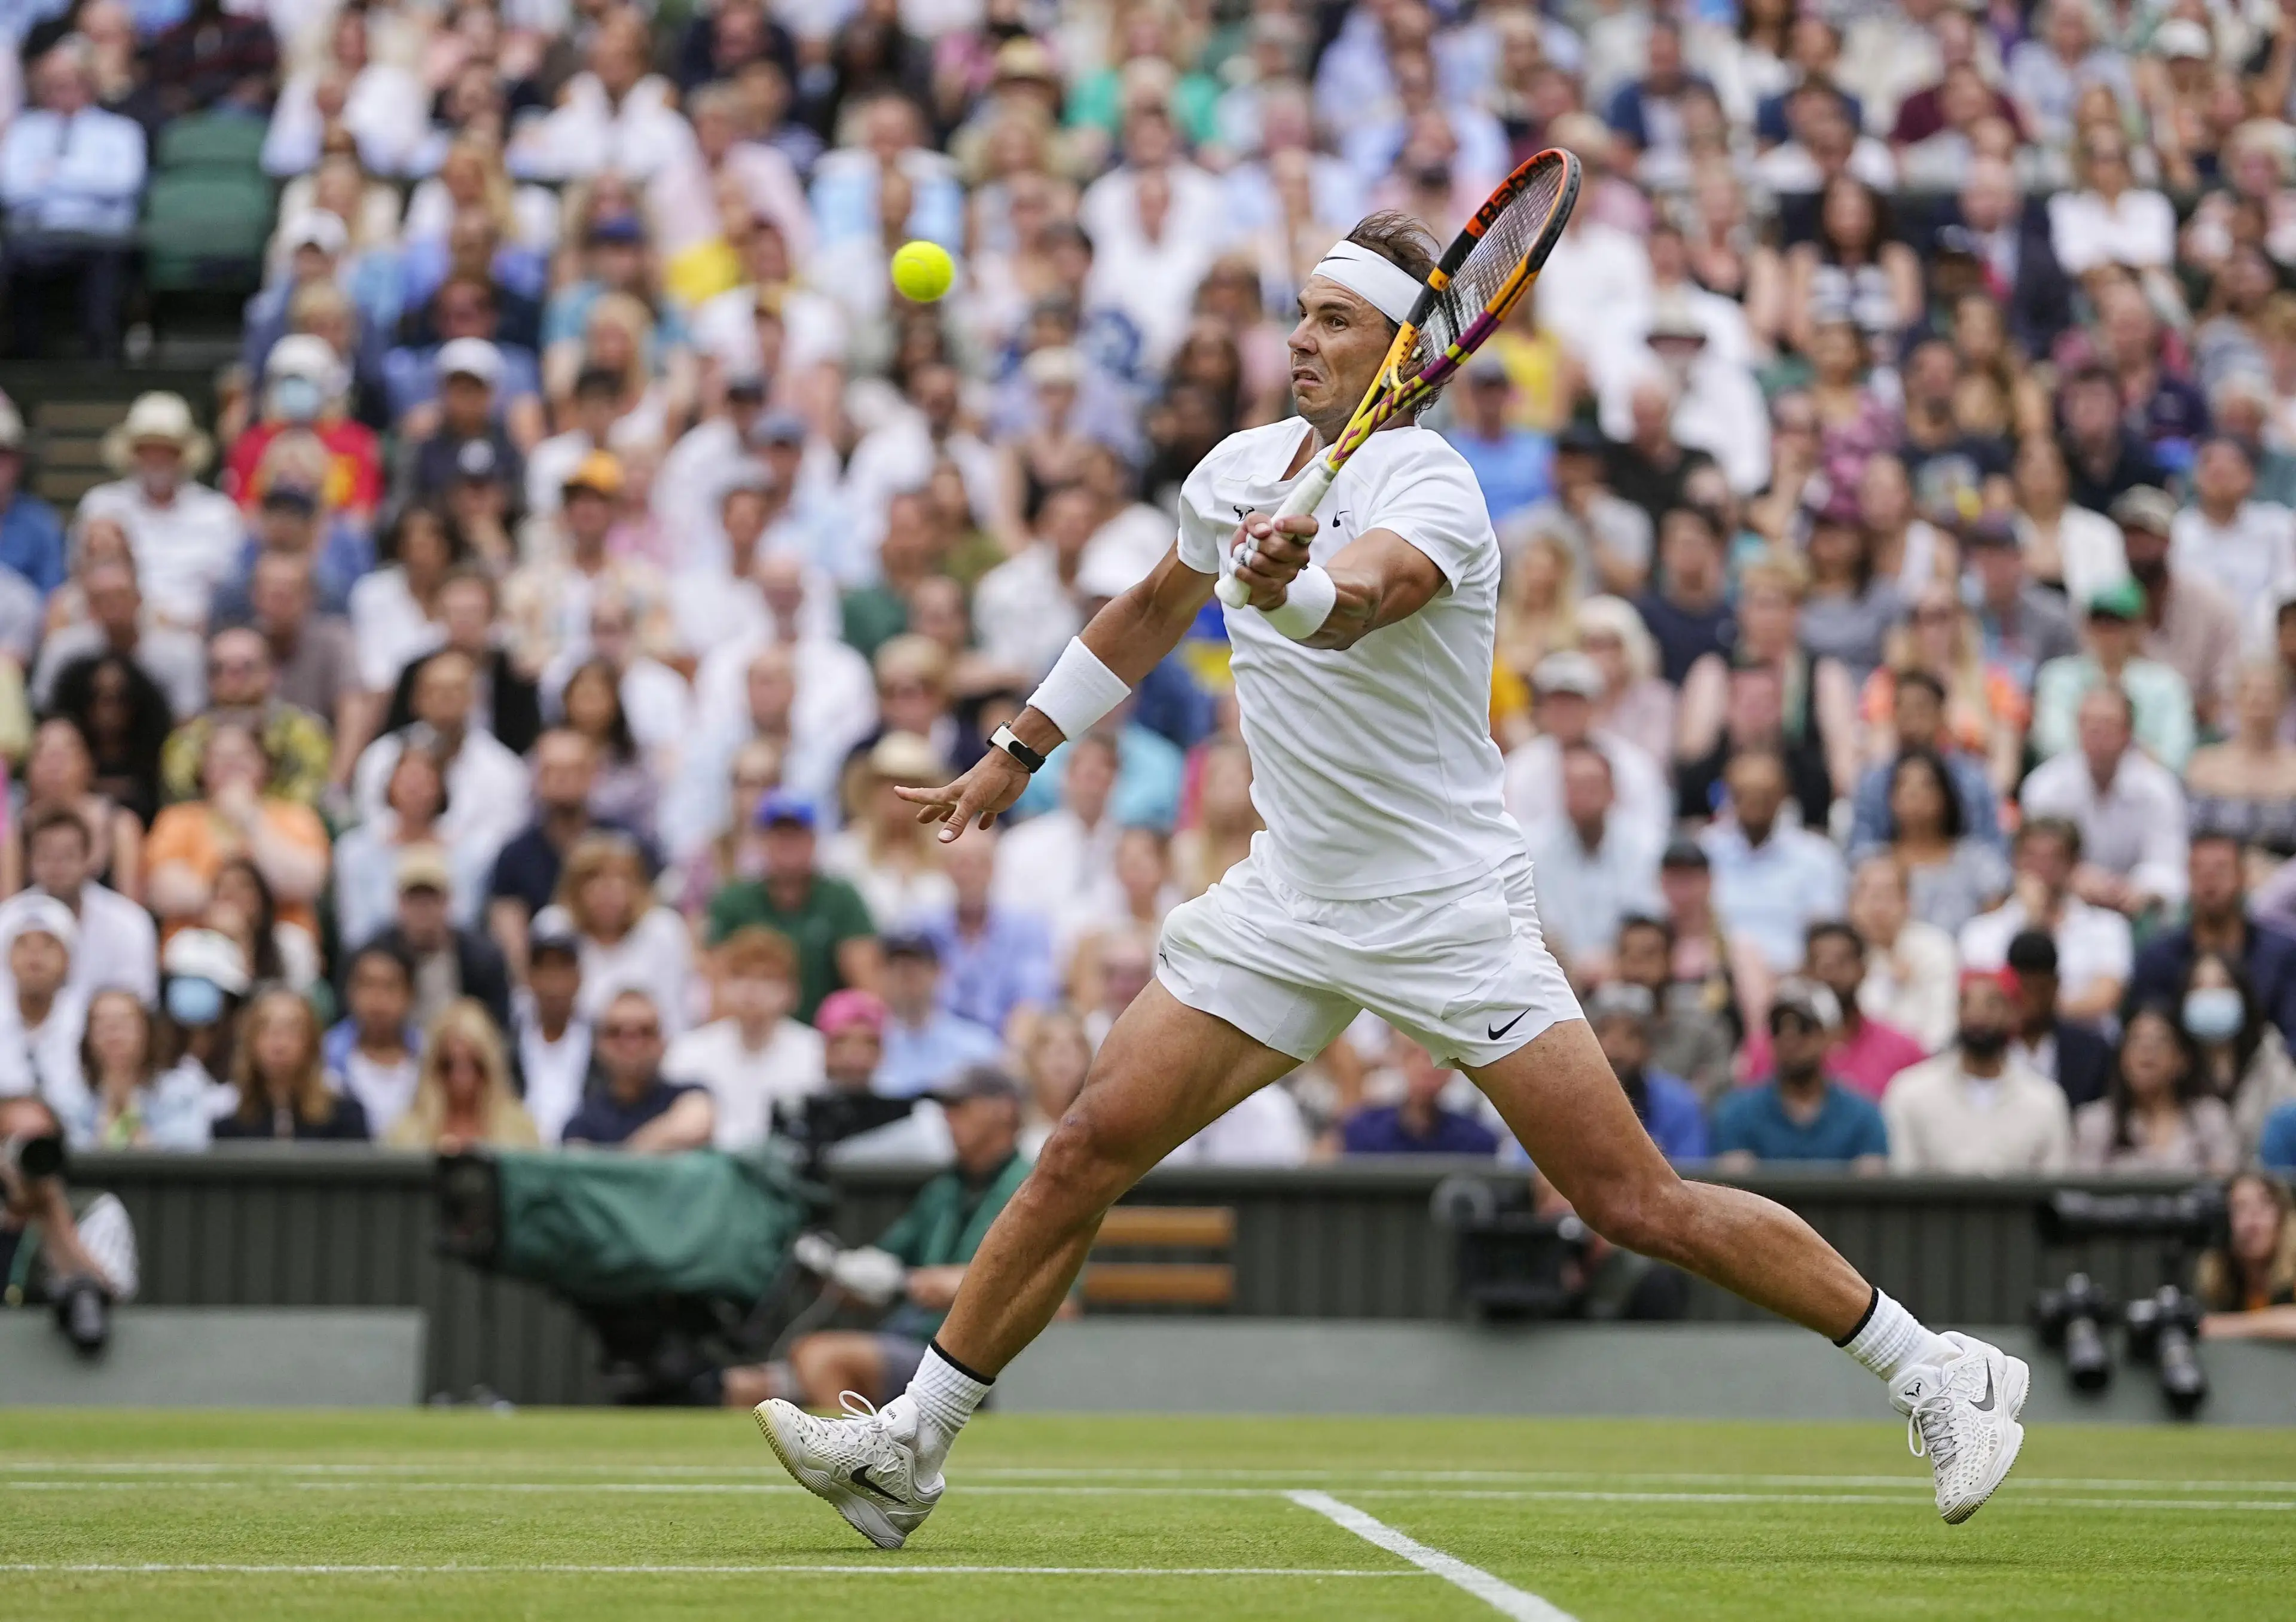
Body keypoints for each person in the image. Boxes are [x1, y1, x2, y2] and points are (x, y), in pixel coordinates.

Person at [761, 214, 2027, 1545]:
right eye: (1300, 315)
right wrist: (1017, 749)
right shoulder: (1243, 467)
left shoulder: (1434, 486)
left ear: (1406, 355)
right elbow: (1147, 608)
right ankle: (914, 1444)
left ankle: (1934, 1367)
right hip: (1287, 901)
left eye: (1335, 322)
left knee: (1632, 1201)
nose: (1302, 339)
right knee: (1083, 1147)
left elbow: (1366, 595)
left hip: (1442, 910)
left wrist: (1295, 584)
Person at [722, 1067, 1033, 1413]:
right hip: (910, 1339)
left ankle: (858, 1460)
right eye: (944, 1107)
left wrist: (934, 1284)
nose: (947, 1117)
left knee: (819, 1357)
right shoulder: (945, 1189)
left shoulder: (1030, 1189)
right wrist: (843, 1271)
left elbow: (1050, 1294)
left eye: (959, 1106)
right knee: (744, 1388)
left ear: (1003, 1110)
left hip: (974, 1356)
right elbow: (887, 1263)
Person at [706, 792, 881, 1022]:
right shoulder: (733, 901)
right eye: (779, 835)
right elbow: (720, 989)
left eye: (796, 834)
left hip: (824, 1038)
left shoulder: (841, 898)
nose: (787, 844)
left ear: (814, 840)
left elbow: (866, 988)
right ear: (762, 841)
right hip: (751, 1032)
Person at [2019, 685, 2189, 918]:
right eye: (2087, 723)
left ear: (2129, 732)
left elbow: (2168, 862)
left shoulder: (2159, 788)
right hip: (2064, 902)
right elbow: (2033, 861)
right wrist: (2073, 877)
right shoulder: (2045, 786)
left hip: (2138, 908)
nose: (2096, 731)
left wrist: (2141, 888)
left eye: (2107, 723)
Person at [1882, 970, 2073, 1174]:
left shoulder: (2045, 1102)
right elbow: (1902, 1179)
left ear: (2015, 1014)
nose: (1978, 1015)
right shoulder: (1910, 1093)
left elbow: (2054, 1187)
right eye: (1966, 1003)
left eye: (1992, 1004)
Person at [663, 926, 825, 1150]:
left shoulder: (816, 1051)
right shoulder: (689, 1050)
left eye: (767, 979)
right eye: (740, 976)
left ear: (792, 992)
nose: (752, 989)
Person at [1961, 818, 2132, 1022]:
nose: (2043, 868)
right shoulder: (1980, 932)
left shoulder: (2108, 927)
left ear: (2074, 864)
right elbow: (1980, 1008)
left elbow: (2103, 1000)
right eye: (2032, 857)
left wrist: (2029, 1009)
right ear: (2014, 861)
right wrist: (2033, 920)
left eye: (2054, 858)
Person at [2129, 835, 2296, 1042]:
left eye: (2221, 869)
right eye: (2199, 871)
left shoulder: (2283, 954)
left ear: (2243, 877)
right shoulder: (2157, 959)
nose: (2210, 879)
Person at [1711, 979, 1890, 1171]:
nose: (1789, 1038)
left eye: (1804, 1026)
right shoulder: (1737, 1113)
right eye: (1778, 1027)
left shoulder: (1863, 1116)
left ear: (1830, 1036)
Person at [1737, 922, 1925, 1102]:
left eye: (1842, 962)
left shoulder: (1903, 1052)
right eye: (1817, 962)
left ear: (1864, 969)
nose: (1829, 973)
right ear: (1803, 970)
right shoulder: (1768, 1049)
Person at [0, 804, 157, 1006]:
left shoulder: (129, 922)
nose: (57, 867)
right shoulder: (8, 919)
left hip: (101, 1033)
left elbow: (139, 1002)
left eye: (67, 856)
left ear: (88, 858)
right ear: (30, 862)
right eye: (46, 856)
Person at [355, 845, 513, 1035]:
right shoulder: (373, 957)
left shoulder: (483, 960)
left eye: (431, 898)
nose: (423, 909)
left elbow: (499, 1029)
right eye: (414, 899)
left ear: (447, 901)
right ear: (400, 903)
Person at [2070, 1004, 2240, 1175]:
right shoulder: (2095, 1122)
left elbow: (2227, 1184)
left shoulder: (2210, 1118)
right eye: (2136, 1040)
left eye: (2160, 1041)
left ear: (2182, 1060)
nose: (2147, 1050)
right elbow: (2080, 1197)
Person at [561, 989, 717, 1152]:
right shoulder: (584, 1121)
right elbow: (578, 1157)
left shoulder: (689, 1094)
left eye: (645, 1032)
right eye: (616, 1033)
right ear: (598, 1044)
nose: (631, 1045)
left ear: (663, 1042)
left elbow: (695, 1125)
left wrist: (615, 1162)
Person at [2176, 952, 2296, 1160]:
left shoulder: (2273, 1063)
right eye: (2198, 986)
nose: (2210, 996)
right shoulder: (2173, 1070)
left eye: (2223, 985)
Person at [213, 988, 370, 1142]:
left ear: (312, 1042)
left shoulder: (345, 1118)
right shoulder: (228, 1122)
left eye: (292, 1030)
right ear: (250, 1041)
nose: (279, 1044)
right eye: (267, 1030)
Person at [384, 999, 541, 1152]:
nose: (460, 1077)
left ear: (490, 1067)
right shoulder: (406, 1134)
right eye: (449, 1065)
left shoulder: (521, 1130)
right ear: (434, 1068)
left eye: (474, 1064)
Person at [60, 989, 206, 1151]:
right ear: (88, 1037)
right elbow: (67, 1149)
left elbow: (191, 1147)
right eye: (102, 1024)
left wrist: (134, 1121)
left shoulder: (181, 1091)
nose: (113, 1033)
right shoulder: (71, 1096)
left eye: (124, 1023)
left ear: (147, 1032)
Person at [1613, 913, 1736, 1102]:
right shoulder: (1592, 1026)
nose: (1635, 967)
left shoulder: (1705, 1028)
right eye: (1626, 954)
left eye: (1648, 955)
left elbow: (1714, 1093)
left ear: (1671, 960)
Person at [1580, 983, 1708, 1163]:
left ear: (1650, 1045)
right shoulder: (1562, 1098)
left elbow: (1692, 1177)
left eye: (1632, 1035)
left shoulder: (1680, 1103)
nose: (1615, 1049)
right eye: (1603, 1032)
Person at [1846, 855, 1959, 1053]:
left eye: (1887, 895)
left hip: (1923, 1065)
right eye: (1869, 895)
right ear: (1851, 904)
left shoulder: (1935, 947)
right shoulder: (1842, 953)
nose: (1878, 907)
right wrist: (1887, 985)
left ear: (1908, 902)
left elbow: (1943, 1025)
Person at [875, 933, 1004, 1101]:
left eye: (916, 967)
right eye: (897, 967)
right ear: (882, 975)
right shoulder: (865, 1045)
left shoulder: (979, 1046)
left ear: (939, 971)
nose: (907, 974)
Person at [2004, 931, 2115, 1111]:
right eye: (2022, 989)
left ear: (2055, 986)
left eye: (2038, 990)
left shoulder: (2092, 1054)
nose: (2029, 1001)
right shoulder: (1988, 1050)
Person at [1337, 1040, 1501, 1157]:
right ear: (1403, 1061)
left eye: (1437, 1060)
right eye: (1417, 1056)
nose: (1428, 1069)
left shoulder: (1476, 1140)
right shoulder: (1362, 1130)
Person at [0, 896, 88, 1113]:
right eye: (22, 944)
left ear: (68, 958)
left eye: (48, 945)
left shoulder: (89, 1021)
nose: (35, 957)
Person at [324, 943, 421, 1138]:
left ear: (411, 994)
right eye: (367, 985)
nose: (378, 999)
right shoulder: (322, 1056)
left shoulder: (432, 1057)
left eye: (390, 986)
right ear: (349, 992)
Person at [511, 920, 591, 1146]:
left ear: (579, 977)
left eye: (563, 968)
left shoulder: (602, 1042)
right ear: (528, 977)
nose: (554, 982)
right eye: (544, 969)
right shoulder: (506, 1044)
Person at [2196, 1172, 2296, 1340]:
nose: (2253, 1218)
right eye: (2240, 1207)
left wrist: (2223, 1326)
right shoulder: (2225, 1285)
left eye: (2265, 1204)